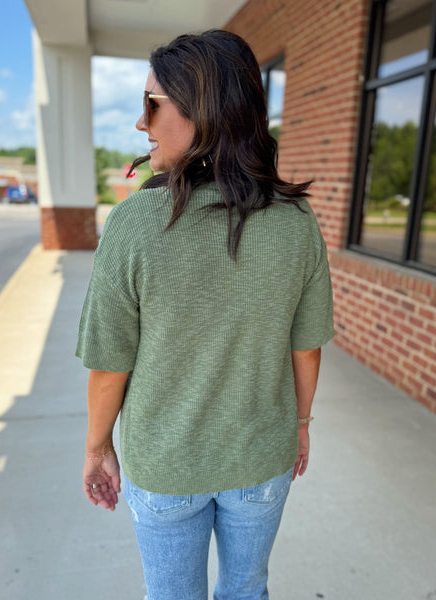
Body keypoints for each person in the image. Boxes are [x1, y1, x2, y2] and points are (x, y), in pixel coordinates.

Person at [76, 29, 334, 600]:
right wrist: (300, 425)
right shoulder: (297, 222)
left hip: (165, 465)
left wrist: (97, 448)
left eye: (152, 104)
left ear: (203, 111)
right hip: (261, 457)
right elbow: (307, 348)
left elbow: (109, 367)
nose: (140, 123)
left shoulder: (133, 225)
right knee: (246, 591)